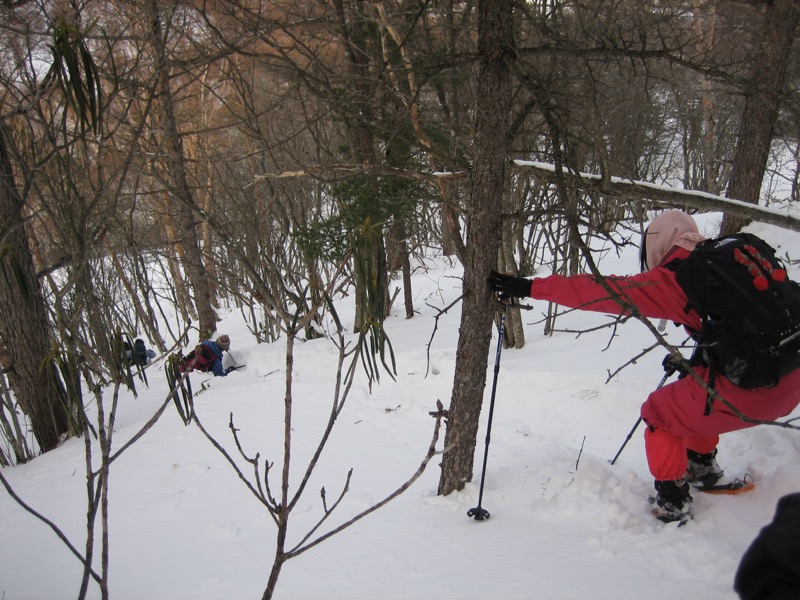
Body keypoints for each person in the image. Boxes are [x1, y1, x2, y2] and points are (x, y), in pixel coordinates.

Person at [487, 210, 800, 523]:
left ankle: (673, 500)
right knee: (695, 381)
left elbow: (602, 290)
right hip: (791, 377)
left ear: (658, 244)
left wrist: (529, 288)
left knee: (659, 413)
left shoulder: (679, 277)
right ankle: (701, 465)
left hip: (756, 390)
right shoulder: (730, 261)